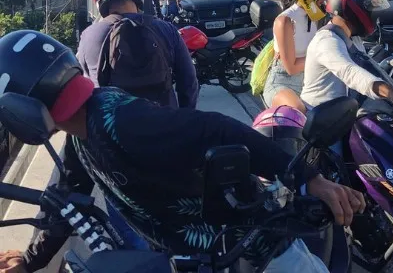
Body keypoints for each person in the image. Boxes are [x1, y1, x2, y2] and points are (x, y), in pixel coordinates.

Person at [0, 30, 365, 273]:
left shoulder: (119, 120)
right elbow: (69, 196)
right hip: (198, 259)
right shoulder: (80, 134)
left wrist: (309, 179)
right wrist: (31, 261)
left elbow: (213, 129)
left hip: (258, 256)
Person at [78, 0, 199, 251]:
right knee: (175, 221)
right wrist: (184, 124)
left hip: (115, 151)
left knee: (131, 230)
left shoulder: (90, 37)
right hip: (167, 139)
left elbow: (84, 92)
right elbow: (189, 85)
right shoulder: (166, 30)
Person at [283, 0, 393, 112]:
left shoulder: (351, 38)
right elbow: (350, 72)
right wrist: (389, 92)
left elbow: (365, 67)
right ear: (352, 10)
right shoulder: (327, 41)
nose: (374, 14)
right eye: (369, 8)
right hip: (319, 120)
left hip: (343, 115)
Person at [262, 0, 335, 110]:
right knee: (298, 109)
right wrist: (325, 57)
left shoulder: (320, 18)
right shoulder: (285, 21)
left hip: (311, 81)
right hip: (284, 82)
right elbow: (291, 67)